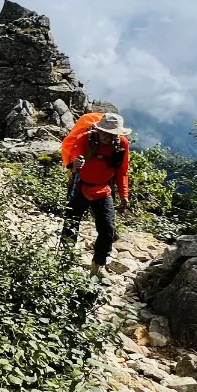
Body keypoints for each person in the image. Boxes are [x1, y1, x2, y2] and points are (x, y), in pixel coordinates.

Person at [59, 111, 131, 276]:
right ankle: (65, 257)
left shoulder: (122, 145)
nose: (108, 136)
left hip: (103, 190)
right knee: (71, 223)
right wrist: (76, 162)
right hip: (80, 186)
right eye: (105, 132)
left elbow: (122, 171)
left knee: (107, 229)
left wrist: (124, 195)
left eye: (113, 134)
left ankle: (98, 264)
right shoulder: (86, 138)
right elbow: (75, 154)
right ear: (98, 129)